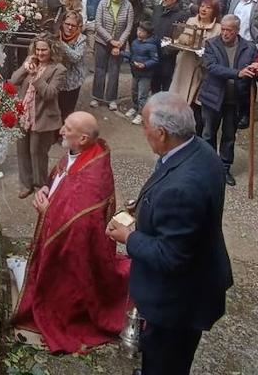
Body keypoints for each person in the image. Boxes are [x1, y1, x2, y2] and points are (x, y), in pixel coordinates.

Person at [105, 92, 232, 375]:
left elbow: (171, 256)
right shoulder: (197, 148)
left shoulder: (183, 188)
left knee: (167, 360)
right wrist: (145, 206)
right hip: (195, 278)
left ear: (161, 133)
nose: (144, 133)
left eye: (145, 128)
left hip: (180, 300)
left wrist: (129, 237)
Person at [13, 112, 129, 353]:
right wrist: (46, 187)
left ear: (84, 138)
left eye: (67, 128)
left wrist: (48, 211)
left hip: (77, 253)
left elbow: (79, 222)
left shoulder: (94, 174)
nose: (61, 131)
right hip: (62, 236)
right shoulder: (80, 152)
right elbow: (60, 176)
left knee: (62, 302)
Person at [199, 14, 258, 186]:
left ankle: (224, 168)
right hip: (213, 98)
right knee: (208, 133)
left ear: (237, 31)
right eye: (223, 29)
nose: (225, 33)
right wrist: (237, 73)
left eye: (229, 30)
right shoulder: (211, 44)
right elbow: (211, 67)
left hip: (235, 100)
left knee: (229, 136)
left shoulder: (249, 48)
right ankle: (209, 168)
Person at [11, 38, 63, 199]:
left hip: (43, 117)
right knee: (22, 151)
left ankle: (40, 186)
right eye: (37, 49)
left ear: (51, 50)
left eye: (44, 50)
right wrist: (26, 68)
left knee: (37, 153)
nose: (40, 53)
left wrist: (36, 77)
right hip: (24, 115)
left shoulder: (58, 69)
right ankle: (26, 184)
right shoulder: (30, 62)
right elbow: (14, 81)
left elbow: (50, 93)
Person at [90, 0, 133, 111]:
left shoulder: (128, 6)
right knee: (100, 70)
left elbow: (129, 26)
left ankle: (111, 99)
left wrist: (119, 43)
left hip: (119, 43)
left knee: (114, 71)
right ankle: (96, 97)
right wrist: (110, 40)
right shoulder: (103, 3)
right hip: (102, 42)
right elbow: (98, 24)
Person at [150, 0, 186, 94]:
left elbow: (179, 37)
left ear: (174, 0)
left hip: (168, 55)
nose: (163, 0)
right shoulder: (157, 9)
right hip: (154, 52)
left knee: (166, 83)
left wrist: (167, 49)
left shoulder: (181, 15)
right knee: (154, 82)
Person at [53, 12, 87, 121]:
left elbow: (75, 57)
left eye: (73, 25)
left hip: (73, 82)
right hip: (58, 81)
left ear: (78, 27)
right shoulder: (56, 35)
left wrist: (61, 44)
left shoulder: (82, 39)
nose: (70, 27)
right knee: (56, 110)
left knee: (67, 111)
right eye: (67, 24)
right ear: (62, 23)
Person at [127, 22, 159, 125]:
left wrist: (144, 65)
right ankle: (134, 108)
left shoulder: (152, 46)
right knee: (134, 92)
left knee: (142, 95)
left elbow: (155, 60)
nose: (139, 33)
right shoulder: (135, 42)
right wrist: (122, 54)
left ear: (148, 33)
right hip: (135, 73)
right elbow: (131, 55)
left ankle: (141, 113)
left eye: (142, 31)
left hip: (146, 75)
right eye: (138, 30)